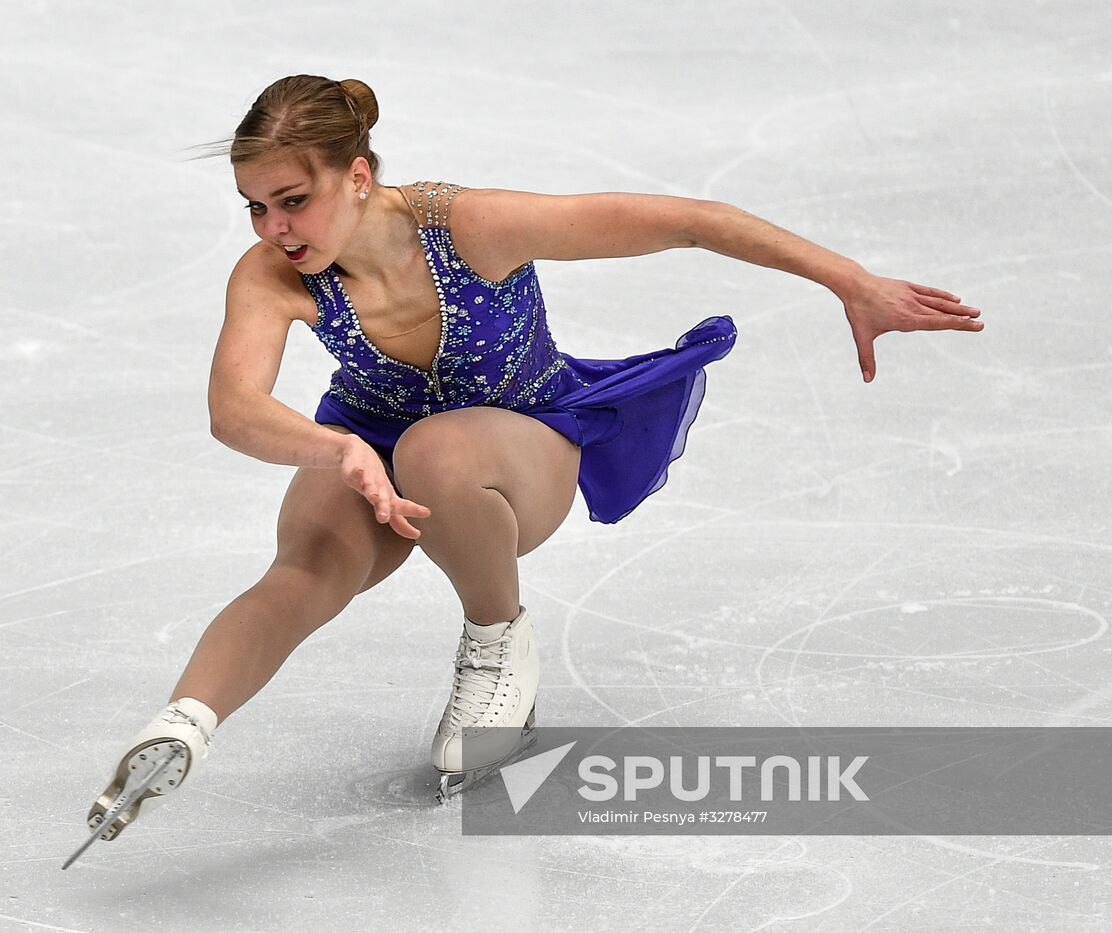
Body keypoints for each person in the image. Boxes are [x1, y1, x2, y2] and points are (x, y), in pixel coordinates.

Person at [82, 73, 984, 839]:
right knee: (309, 560)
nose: (273, 227)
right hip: (368, 437)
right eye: (255, 206)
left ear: (357, 177)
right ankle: (184, 724)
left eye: (292, 199)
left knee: (436, 450)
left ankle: (496, 639)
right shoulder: (272, 275)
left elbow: (692, 221)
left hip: (523, 448)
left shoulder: (469, 227)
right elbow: (232, 409)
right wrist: (339, 449)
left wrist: (852, 282)